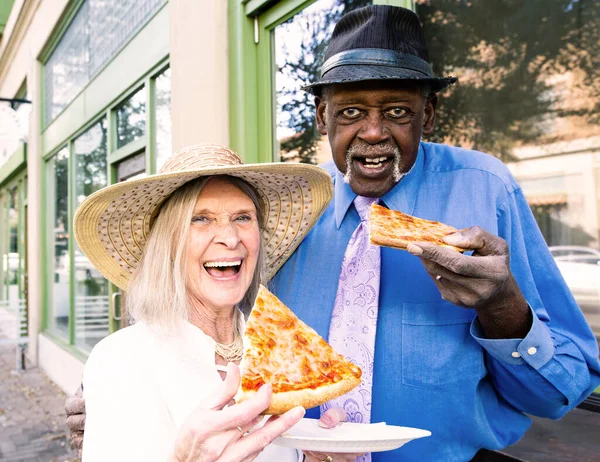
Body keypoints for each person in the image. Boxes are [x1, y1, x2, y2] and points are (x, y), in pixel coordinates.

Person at [67, 5, 600, 462]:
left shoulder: (486, 189)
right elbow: (213, 323)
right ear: (322, 118)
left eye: (397, 111)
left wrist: (503, 307)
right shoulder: (285, 211)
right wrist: (125, 391)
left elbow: (564, 390)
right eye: (350, 112)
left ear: (429, 115)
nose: (373, 131)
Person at [71, 143, 361, 462]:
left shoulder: (273, 353)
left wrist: (317, 459)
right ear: (168, 246)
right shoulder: (121, 359)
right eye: (201, 219)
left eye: (242, 217)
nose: (230, 237)